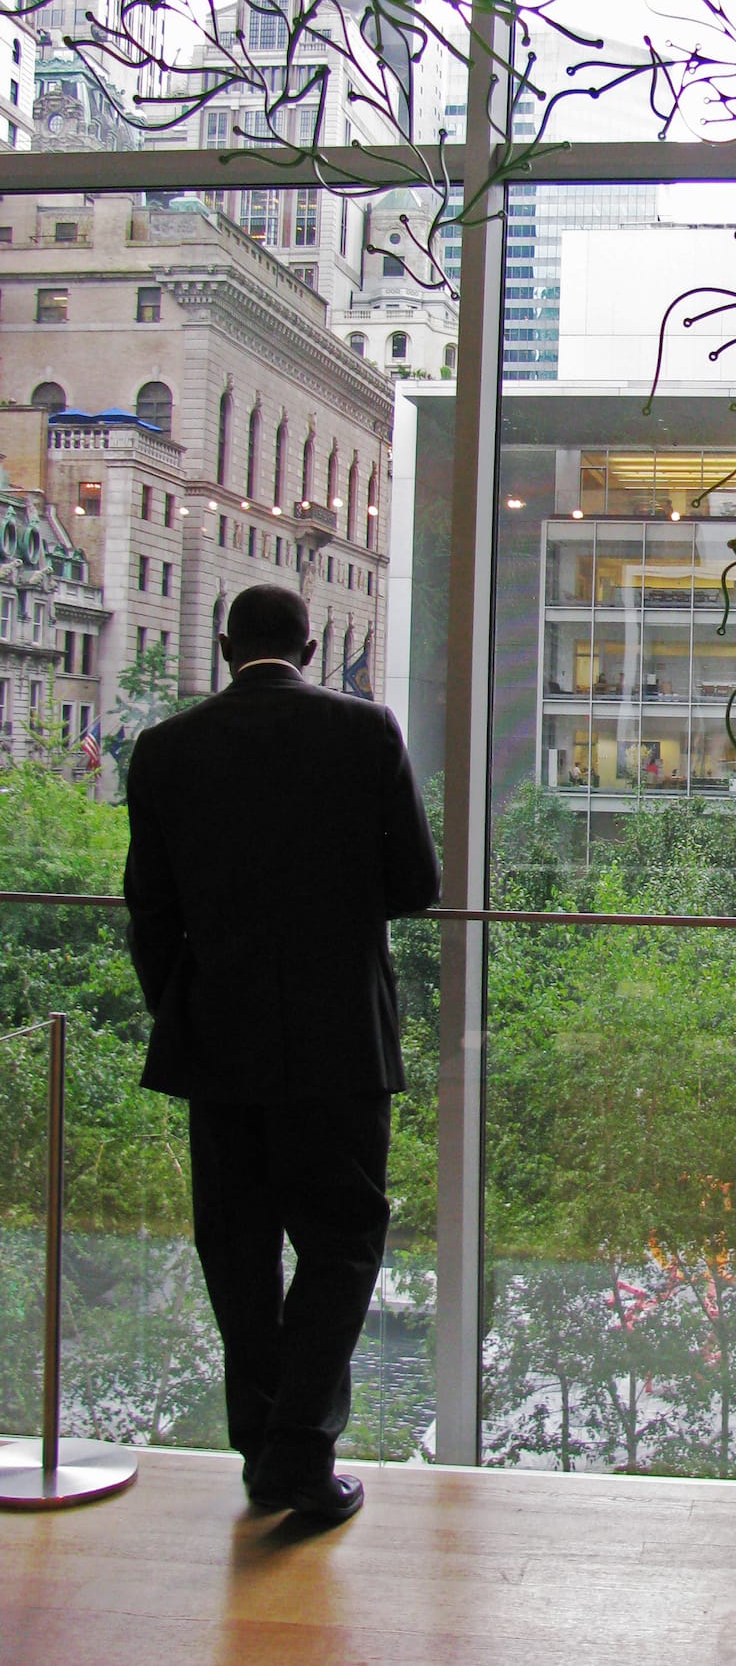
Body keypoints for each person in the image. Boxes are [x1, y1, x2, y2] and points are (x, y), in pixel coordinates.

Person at [123, 584, 440, 1523]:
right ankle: (299, 1450)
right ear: (310, 643)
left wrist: (179, 1009)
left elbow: (151, 908)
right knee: (342, 1239)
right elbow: (415, 885)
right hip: (339, 1032)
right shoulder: (365, 730)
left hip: (216, 1036)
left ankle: (262, 1439)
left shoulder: (165, 747)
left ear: (225, 647)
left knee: (237, 1242)